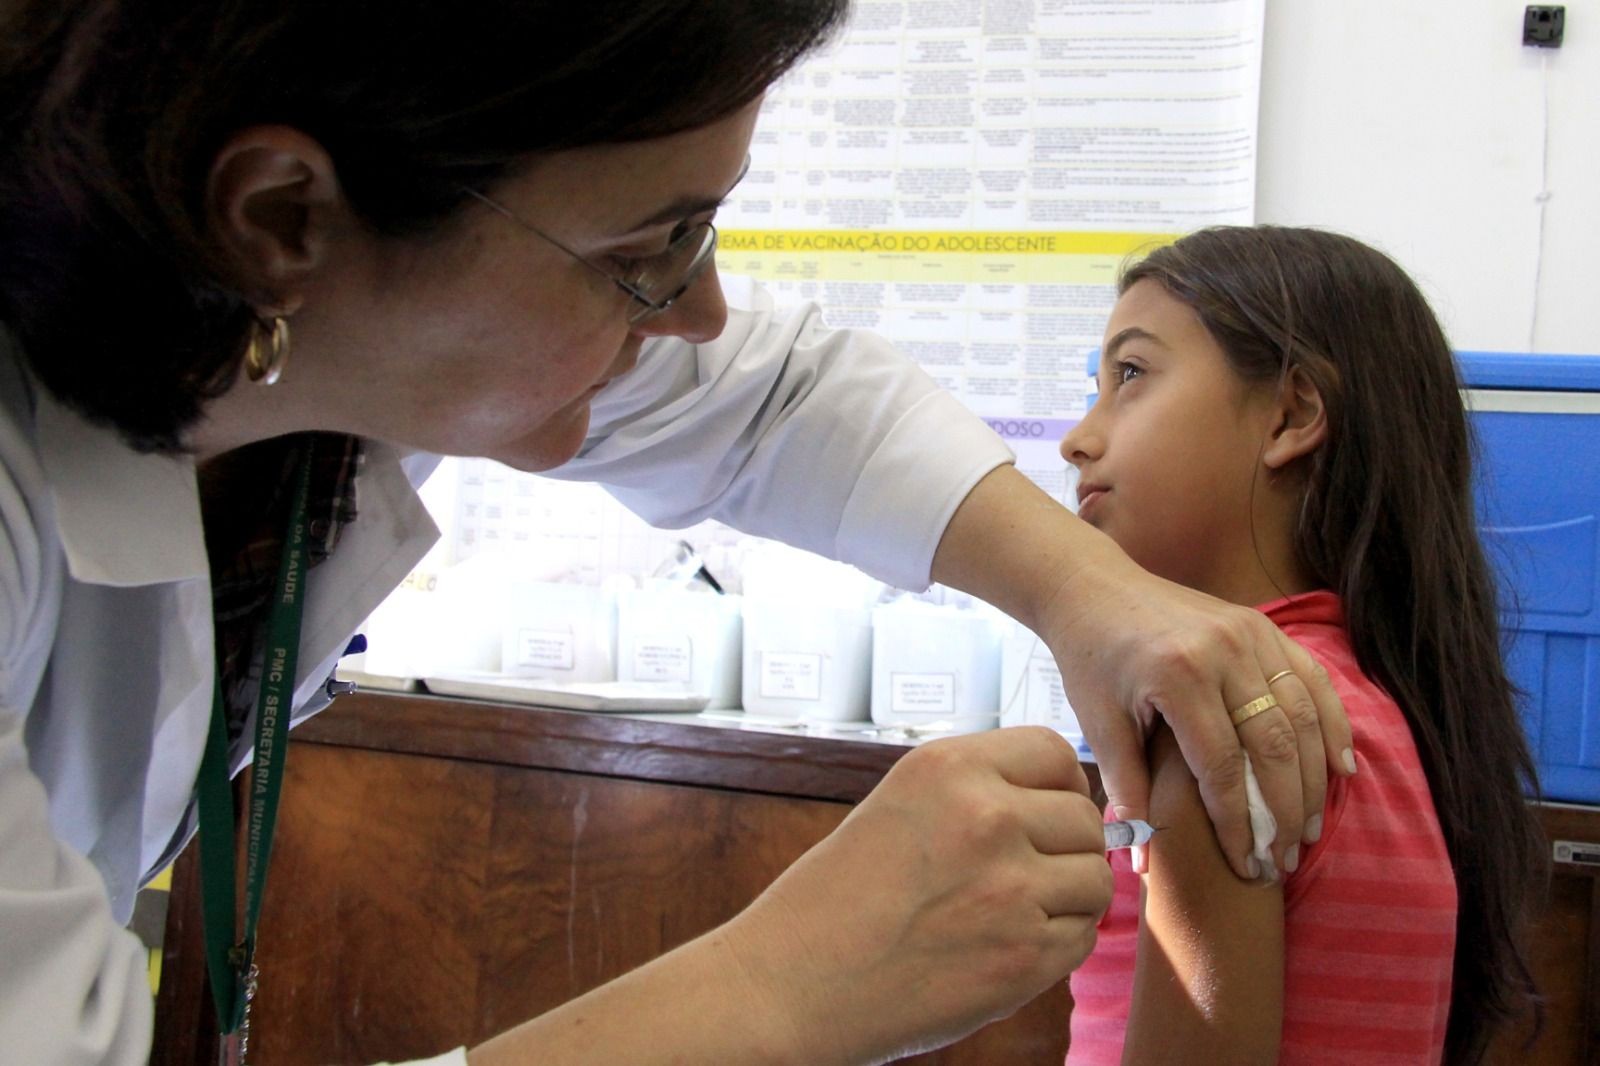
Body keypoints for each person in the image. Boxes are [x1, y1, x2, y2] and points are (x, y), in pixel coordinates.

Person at [0, 4, 1353, 1064]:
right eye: (649, 246)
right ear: (281, 216)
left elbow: (777, 400)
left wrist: (1088, 593)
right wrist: (778, 989)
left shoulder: (324, 338)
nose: (699, 310)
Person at [1061, 226, 1547, 1064]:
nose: (1080, 437)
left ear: (1290, 415)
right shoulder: (1377, 706)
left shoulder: (1228, 729)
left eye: (1130, 375)